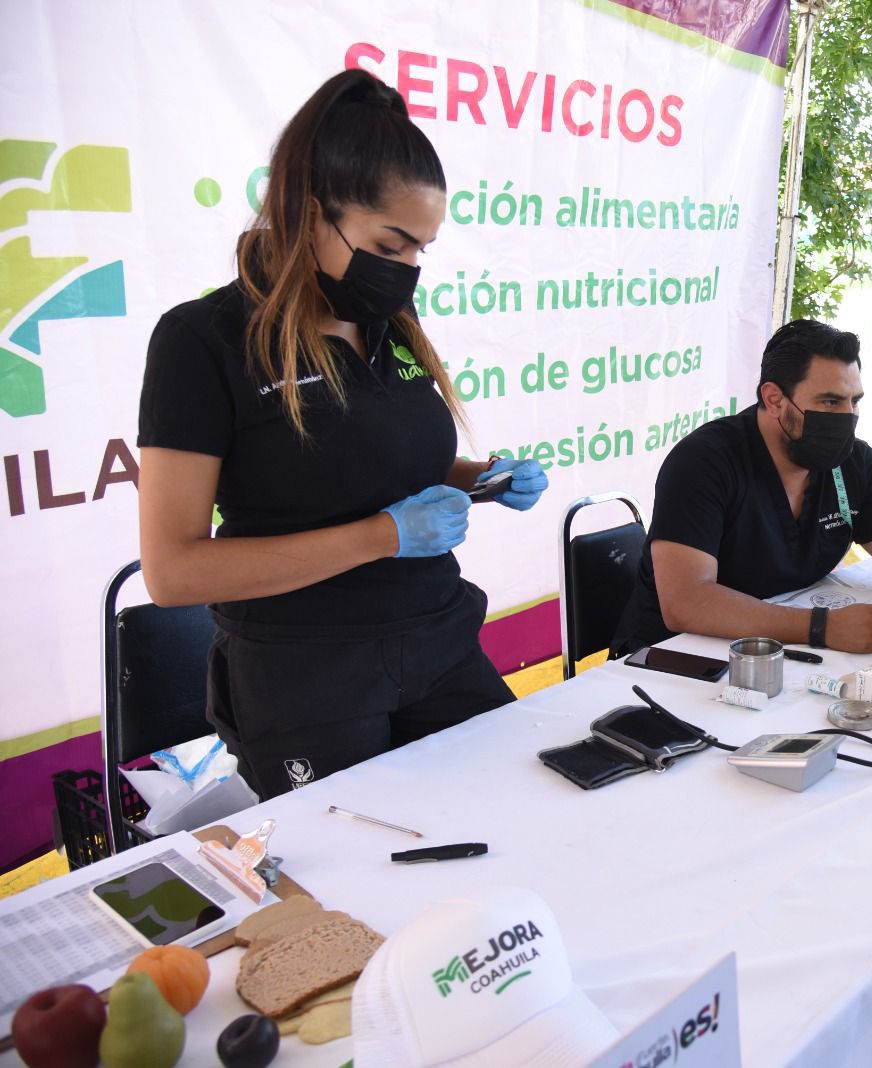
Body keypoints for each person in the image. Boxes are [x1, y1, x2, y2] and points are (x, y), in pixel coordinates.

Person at [136, 70, 548, 799]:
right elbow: (174, 571)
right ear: (309, 211)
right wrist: (380, 537)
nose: (408, 270)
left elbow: (373, 463)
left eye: (422, 249)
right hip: (307, 680)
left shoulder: (389, 329)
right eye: (391, 245)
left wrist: (476, 476)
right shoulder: (204, 341)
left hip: (438, 642)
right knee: (359, 895)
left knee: (513, 817)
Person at [611, 319, 872, 656]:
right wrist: (821, 627)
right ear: (774, 398)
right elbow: (686, 602)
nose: (847, 417)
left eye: (854, 402)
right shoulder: (704, 461)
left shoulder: (855, 464)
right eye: (830, 402)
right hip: (672, 660)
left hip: (780, 654)